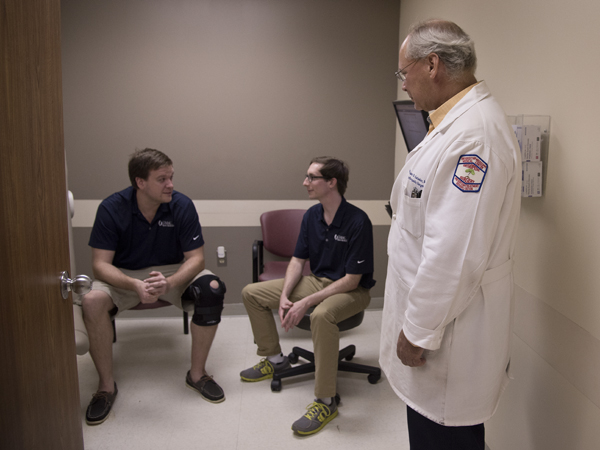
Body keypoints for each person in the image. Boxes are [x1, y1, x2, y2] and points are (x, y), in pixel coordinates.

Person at [379, 20, 522, 449]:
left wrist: (418, 332)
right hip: (436, 326)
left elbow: (454, 254)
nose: (404, 85)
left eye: (404, 72)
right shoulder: (450, 124)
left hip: (446, 339)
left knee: (443, 438)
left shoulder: (474, 137)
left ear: (433, 64)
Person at [81, 148, 227, 426]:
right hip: (124, 274)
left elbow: (196, 259)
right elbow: (100, 265)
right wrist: (133, 284)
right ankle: (105, 387)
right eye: (162, 179)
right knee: (91, 301)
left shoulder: (181, 205)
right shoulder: (111, 208)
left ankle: (197, 374)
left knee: (211, 287)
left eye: (171, 177)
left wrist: (170, 283)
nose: (170, 184)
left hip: (171, 271)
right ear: (140, 182)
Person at [240, 156, 375, 435]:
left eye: (312, 177)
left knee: (323, 315)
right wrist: (285, 295)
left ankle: (326, 401)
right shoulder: (311, 216)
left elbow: (352, 280)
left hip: (352, 290)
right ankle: (275, 360)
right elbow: (297, 261)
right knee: (251, 293)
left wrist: (306, 302)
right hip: (316, 282)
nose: (305, 183)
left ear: (331, 182)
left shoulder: (358, 221)